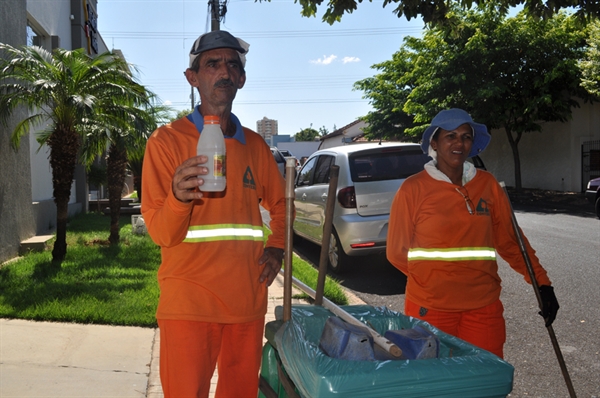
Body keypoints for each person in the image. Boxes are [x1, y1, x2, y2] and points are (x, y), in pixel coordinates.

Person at [141, 30, 287, 397]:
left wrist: (278, 246)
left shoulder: (255, 146)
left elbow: (282, 205)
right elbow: (162, 234)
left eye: (232, 65)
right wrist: (178, 197)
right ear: (193, 78)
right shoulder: (166, 142)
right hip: (188, 305)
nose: (224, 71)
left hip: (246, 303)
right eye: (212, 64)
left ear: (241, 78)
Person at [386, 108, 559, 359]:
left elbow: (512, 242)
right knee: (436, 384)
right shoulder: (412, 189)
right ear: (434, 143)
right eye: (451, 136)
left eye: (466, 136)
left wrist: (542, 283)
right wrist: (432, 280)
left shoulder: (487, 185)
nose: (459, 143)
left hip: (483, 308)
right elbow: (396, 252)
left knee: (485, 381)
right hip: (430, 308)